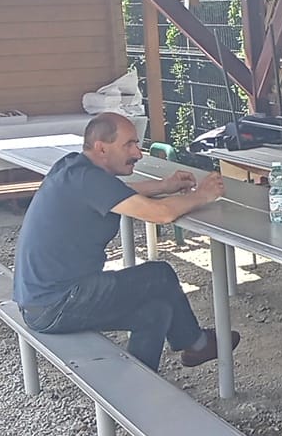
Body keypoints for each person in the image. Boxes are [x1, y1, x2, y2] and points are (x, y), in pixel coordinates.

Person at [13, 112, 240, 372]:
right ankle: (197, 344)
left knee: (156, 311)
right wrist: (202, 195)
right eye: (129, 144)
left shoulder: (73, 167)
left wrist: (164, 186)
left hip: (39, 301)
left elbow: (116, 193)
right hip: (56, 302)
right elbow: (161, 214)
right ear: (101, 148)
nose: (138, 153)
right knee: (159, 275)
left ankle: (140, 381)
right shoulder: (89, 179)